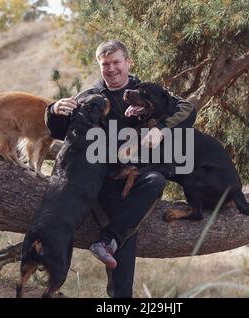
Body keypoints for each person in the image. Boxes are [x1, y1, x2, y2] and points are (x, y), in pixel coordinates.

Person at [44, 40, 196, 297]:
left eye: (116, 62)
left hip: (137, 175)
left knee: (157, 181)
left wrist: (161, 129)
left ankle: (107, 240)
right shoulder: (90, 97)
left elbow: (187, 109)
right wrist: (54, 110)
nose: (111, 69)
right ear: (99, 66)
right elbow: (61, 130)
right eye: (105, 64)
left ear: (128, 62)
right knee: (126, 235)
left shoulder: (147, 91)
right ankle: (117, 275)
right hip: (102, 180)